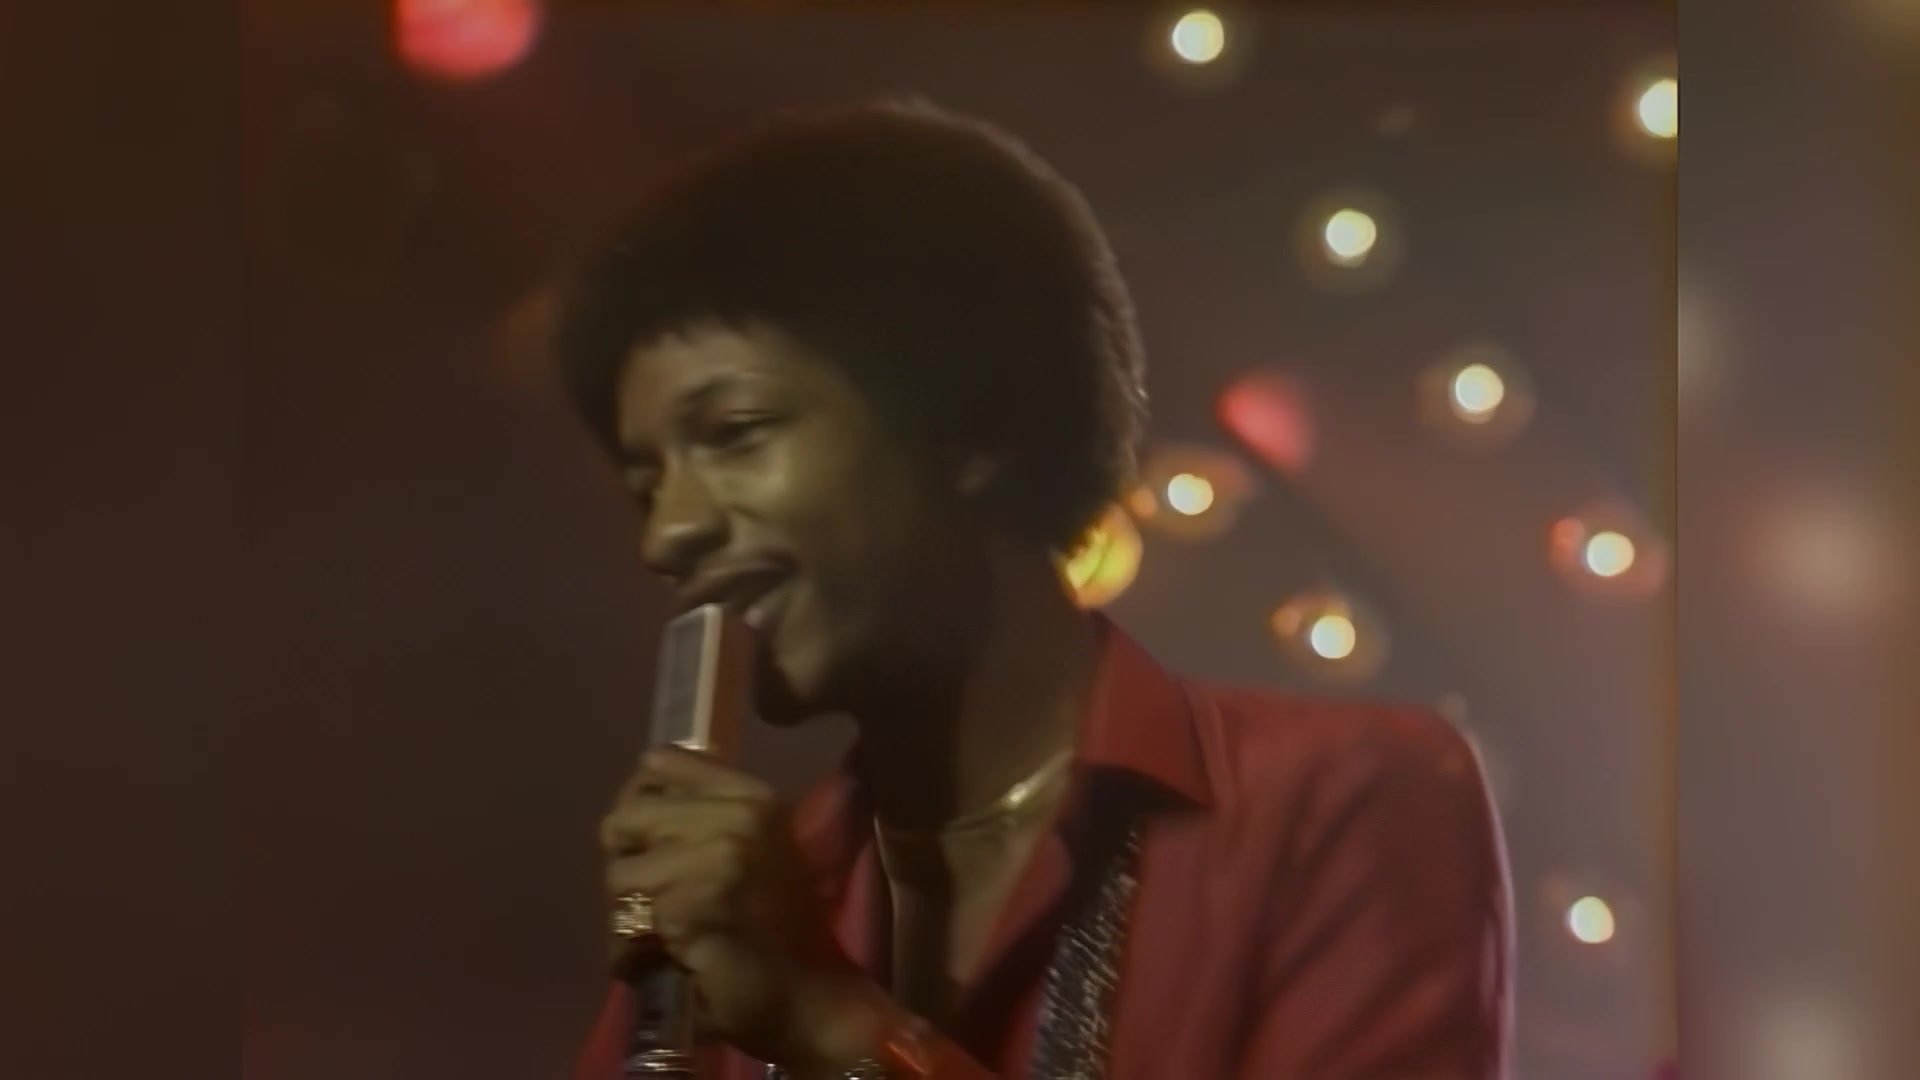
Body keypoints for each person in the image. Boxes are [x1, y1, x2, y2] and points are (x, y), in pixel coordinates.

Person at [556, 98, 1511, 1079]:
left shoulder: (1335, 798)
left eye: (734, 435)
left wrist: (831, 1022)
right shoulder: (744, 895)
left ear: (972, 418)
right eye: (646, 481)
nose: (668, 533)